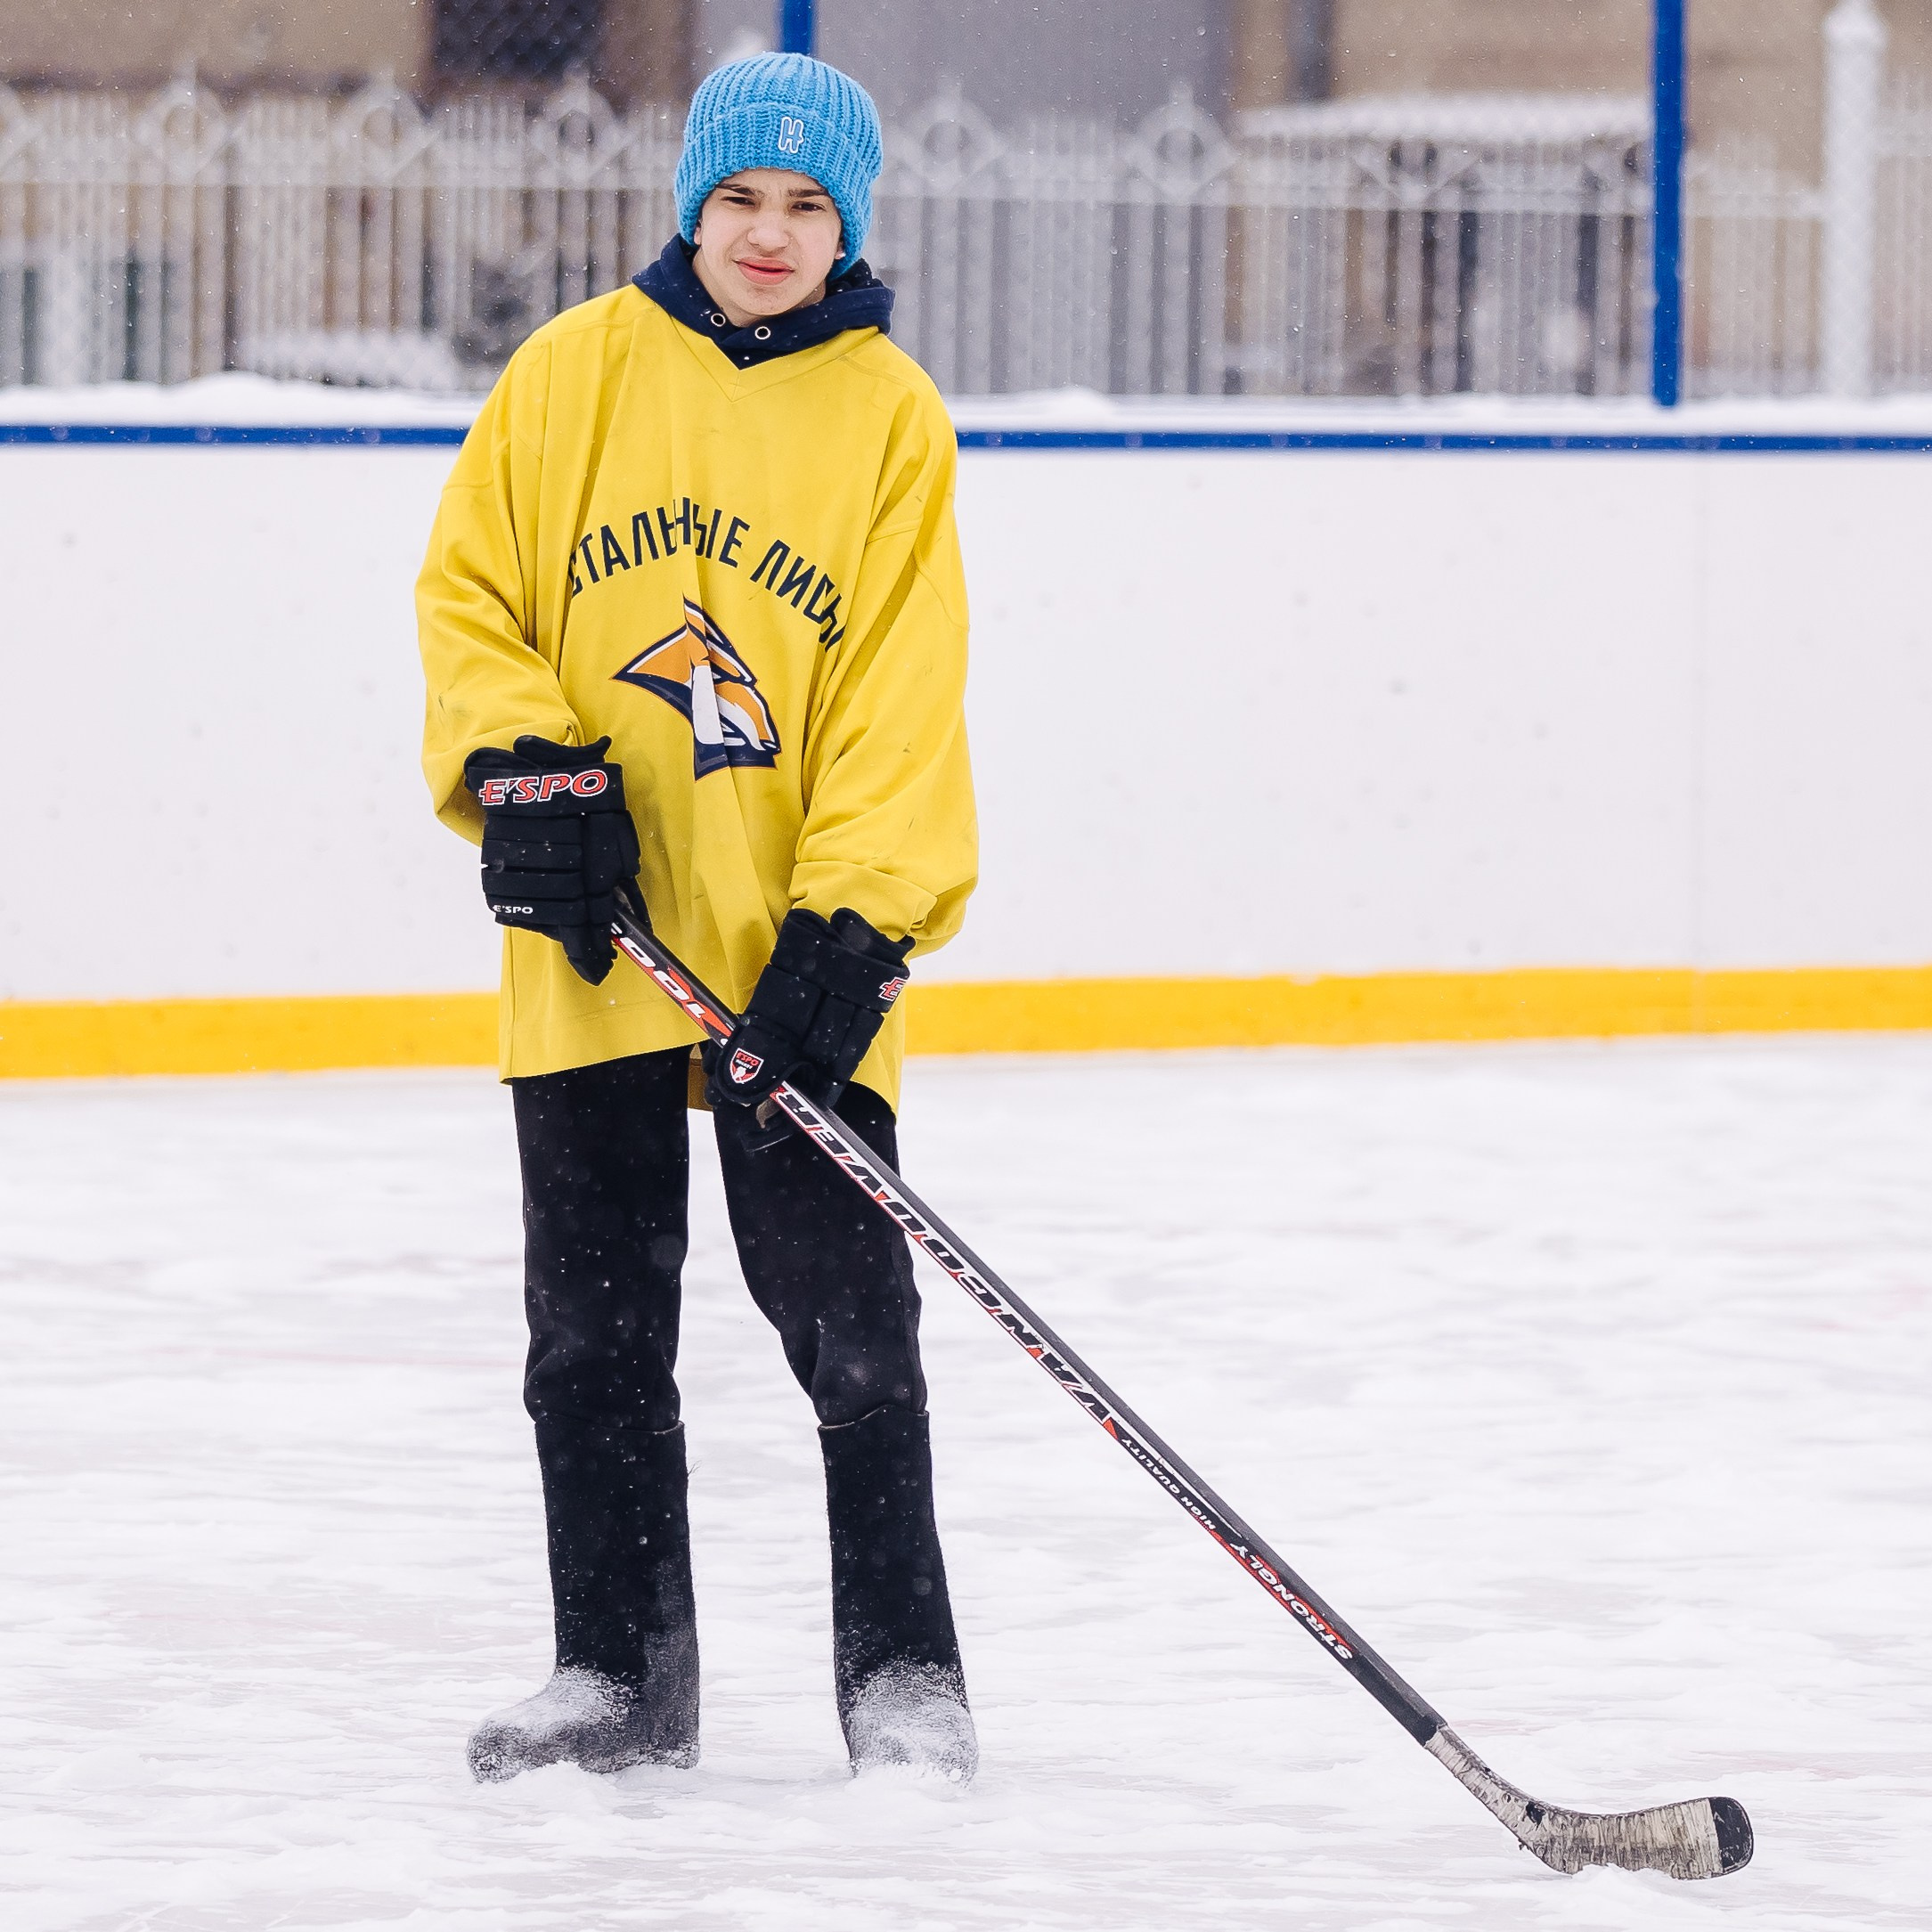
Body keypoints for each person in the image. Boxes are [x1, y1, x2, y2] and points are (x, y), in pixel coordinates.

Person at [415, 51, 978, 1784]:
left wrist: (857, 921)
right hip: (601, 944)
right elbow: (470, 595)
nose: (767, 233)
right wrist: (525, 768)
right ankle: (616, 1677)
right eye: (740, 197)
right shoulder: (567, 375)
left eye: (808, 207)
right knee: (590, 1331)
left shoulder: (888, 415)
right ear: (688, 202)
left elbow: (901, 696)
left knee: (850, 1326)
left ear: (850, 228)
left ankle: (904, 1679)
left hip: (788, 954)